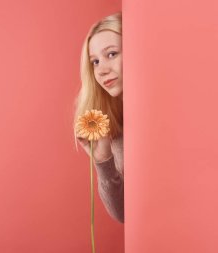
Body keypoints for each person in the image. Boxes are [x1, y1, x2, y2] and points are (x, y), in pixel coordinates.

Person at [73, 12, 124, 223]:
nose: (101, 70)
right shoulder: (114, 128)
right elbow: (123, 214)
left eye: (111, 54)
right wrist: (103, 160)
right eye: (94, 62)